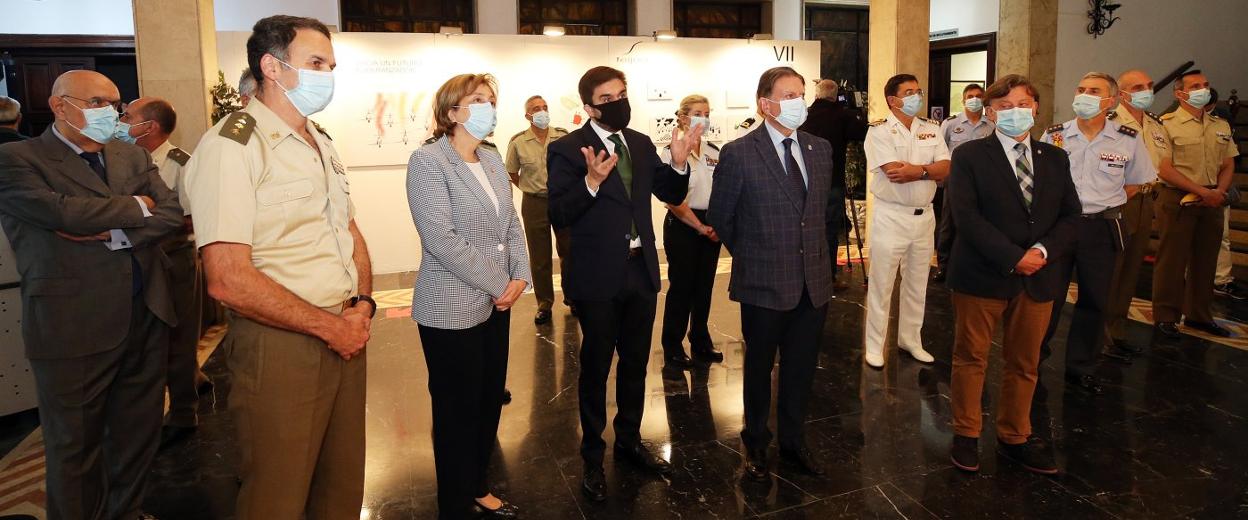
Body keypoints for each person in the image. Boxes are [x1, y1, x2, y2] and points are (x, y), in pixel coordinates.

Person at [184, 15, 375, 519]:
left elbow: (347, 232)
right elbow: (226, 277)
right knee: (278, 492)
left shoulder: (320, 141)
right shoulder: (232, 146)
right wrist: (328, 325)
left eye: (331, 65)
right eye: (315, 63)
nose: (327, 75)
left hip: (344, 331)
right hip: (284, 341)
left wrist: (362, 306)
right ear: (272, 66)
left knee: (340, 486)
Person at [0, 69, 183, 520]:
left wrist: (114, 234)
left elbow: (173, 214)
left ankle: (126, 512)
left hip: (145, 316)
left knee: (137, 436)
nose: (111, 113)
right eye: (98, 103)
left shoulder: (130, 157)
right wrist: (137, 207)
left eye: (115, 104)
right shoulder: (18, 159)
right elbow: (56, 211)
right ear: (61, 106)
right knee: (75, 447)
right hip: (72, 328)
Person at [547, 65, 697, 502]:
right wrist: (592, 182)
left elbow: (668, 190)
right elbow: (559, 212)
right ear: (590, 107)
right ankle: (592, 456)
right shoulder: (568, 149)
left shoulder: (640, 143)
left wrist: (681, 160)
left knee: (635, 362)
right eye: (608, 98)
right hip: (596, 275)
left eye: (622, 93)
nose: (619, 102)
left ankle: (629, 440)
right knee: (595, 368)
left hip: (641, 269)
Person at [407, 73, 530, 520]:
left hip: (497, 304)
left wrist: (520, 276)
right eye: (478, 99)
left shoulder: (493, 159)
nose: (488, 107)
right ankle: (453, 502)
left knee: (486, 400)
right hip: (450, 306)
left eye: (492, 99)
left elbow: (512, 223)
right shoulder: (428, 162)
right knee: (456, 410)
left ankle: (477, 483)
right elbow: (441, 238)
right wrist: (502, 283)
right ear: (452, 111)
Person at [946, 74, 1081, 476]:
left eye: (1022, 104)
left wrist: (1040, 251)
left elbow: (1072, 215)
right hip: (982, 274)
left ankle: (1015, 435)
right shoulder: (969, 156)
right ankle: (966, 434)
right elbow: (966, 218)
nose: (1015, 113)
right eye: (1004, 107)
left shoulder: (1055, 158)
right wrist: (1012, 256)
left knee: (1026, 362)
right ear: (990, 113)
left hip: (1038, 277)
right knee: (971, 358)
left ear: (1036, 108)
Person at [708, 66, 835, 481]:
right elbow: (724, 219)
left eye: (802, 92)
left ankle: (795, 440)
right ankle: (757, 441)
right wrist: (757, 255)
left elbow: (817, 216)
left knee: (800, 368)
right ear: (766, 104)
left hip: (812, 283)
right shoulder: (740, 153)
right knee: (759, 369)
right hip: (763, 284)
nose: (799, 101)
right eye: (789, 94)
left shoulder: (819, 149)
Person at [1036, 72, 1155, 394]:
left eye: (1094, 91)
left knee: (1095, 299)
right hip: (1060, 227)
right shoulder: (1055, 135)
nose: (1084, 96)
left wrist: (1106, 201)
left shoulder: (1128, 138)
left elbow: (1137, 181)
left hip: (1102, 226)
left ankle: (1081, 366)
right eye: (1081, 89)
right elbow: (1042, 181)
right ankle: (1032, 363)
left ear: (1111, 101)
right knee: (1049, 297)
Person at [117, 96, 214, 448]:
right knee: (147, 336)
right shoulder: (124, 160)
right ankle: (188, 383)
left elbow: (190, 215)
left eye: (127, 116)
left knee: (179, 333)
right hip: (136, 259)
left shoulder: (180, 163)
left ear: (150, 127)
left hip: (173, 257)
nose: (120, 120)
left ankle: (185, 410)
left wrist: (143, 220)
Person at [861, 73, 951, 368]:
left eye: (918, 91)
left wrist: (920, 171)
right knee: (882, 283)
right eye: (909, 92)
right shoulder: (879, 131)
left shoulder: (931, 129)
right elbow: (893, 171)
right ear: (893, 99)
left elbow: (946, 167)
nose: (916, 96)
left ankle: (910, 338)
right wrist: (929, 170)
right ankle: (875, 345)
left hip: (924, 216)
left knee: (917, 282)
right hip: (891, 216)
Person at [1152, 70, 1238, 339]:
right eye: (1196, 86)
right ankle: (1166, 316)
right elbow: (1164, 168)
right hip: (1178, 198)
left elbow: (1228, 162)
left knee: (1206, 260)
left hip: (1212, 199)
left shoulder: (1220, 125)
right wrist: (1201, 191)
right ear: (1180, 94)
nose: (1204, 89)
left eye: (1206, 85)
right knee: (1172, 260)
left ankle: (1199, 315)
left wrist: (1219, 191)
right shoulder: (1166, 124)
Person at [1105, 69, 1174, 354]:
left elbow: (1163, 166)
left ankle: (1118, 330)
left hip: (1147, 200)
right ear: (1122, 94)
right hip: (1119, 200)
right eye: (1138, 86)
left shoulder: (1156, 125)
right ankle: (1101, 333)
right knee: (1112, 269)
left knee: (1132, 268)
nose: (1147, 90)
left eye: (1149, 84)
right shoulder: (1109, 122)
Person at [660, 94, 724, 368]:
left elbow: (721, 190)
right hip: (683, 224)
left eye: (707, 113)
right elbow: (673, 199)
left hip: (711, 225)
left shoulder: (713, 151)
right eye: (698, 112)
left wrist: (717, 224)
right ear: (684, 117)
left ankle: (700, 338)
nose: (704, 118)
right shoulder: (670, 151)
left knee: (705, 287)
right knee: (682, 287)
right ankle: (672, 345)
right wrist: (699, 226)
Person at [505, 94, 570, 324]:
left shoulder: (562, 137)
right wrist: (527, 188)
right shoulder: (518, 142)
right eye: (536, 108)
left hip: (563, 201)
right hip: (534, 203)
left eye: (545, 107)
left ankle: (572, 297)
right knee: (539, 256)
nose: (542, 111)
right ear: (528, 115)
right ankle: (544, 303)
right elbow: (511, 172)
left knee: (569, 251)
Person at [799, 79, 867, 291]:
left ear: (816, 94)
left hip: (804, 181)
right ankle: (827, 276)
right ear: (836, 95)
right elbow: (862, 133)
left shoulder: (804, 115)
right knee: (829, 229)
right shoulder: (842, 115)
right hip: (832, 181)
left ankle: (804, 275)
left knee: (805, 227)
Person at [935, 83, 995, 281]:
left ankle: (975, 263)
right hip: (956, 180)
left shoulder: (991, 125)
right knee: (948, 223)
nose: (974, 99)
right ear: (963, 100)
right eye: (970, 96)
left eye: (978, 95)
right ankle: (943, 264)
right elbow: (940, 152)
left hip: (984, 180)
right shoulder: (951, 124)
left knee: (981, 221)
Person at [1208, 88, 1248, 301]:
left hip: (1218, 185)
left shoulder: (1222, 119)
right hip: (1190, 186)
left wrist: (1221, 189)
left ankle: (1221, 279)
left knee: (1222, 236)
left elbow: (1232, 158)